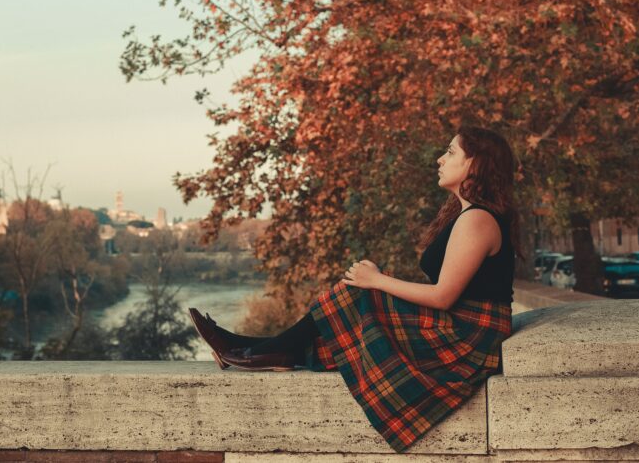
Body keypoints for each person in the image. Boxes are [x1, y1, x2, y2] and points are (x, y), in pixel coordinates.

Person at [189, 126, 524, 453]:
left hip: (469, 337)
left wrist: (377, 280)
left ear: (475, 164)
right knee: (355, 314)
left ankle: (259, 352)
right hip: (461, 326)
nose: (440, 158)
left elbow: (443, 296)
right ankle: (248, 348)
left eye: (450, 152)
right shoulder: (465, 216)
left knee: (359, 294)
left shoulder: (478, 220)